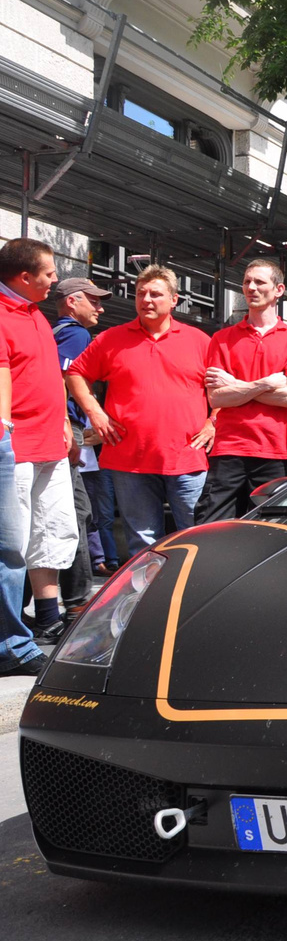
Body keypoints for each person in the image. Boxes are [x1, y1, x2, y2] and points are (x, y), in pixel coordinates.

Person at [68, 265, 213, 548]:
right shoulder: (111, 339)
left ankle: (191, 592)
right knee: (142, 542)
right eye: (140, 293)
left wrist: (214, 422)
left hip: (187, 457)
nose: (146, 300)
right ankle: (146, 594)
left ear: (174, 299)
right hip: (129, 458)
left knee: (196, 538)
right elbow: (75, 373)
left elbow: (224, 388)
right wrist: (95, 413)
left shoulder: (199, 341)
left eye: (155, 294)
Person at [0, 239, 77, 643]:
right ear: (25, 277)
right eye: (49, 273)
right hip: (17, 449)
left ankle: (48, 617)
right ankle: (9, 632)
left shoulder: (36, 314)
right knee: (12, 543)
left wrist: (64, 419)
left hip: (50, 442)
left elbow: (51, 376)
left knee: (52, 530)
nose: (55, 279)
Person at [193, 259, 287, 523]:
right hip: (229, 446)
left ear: (278, 290)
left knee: (274, 527)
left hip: (277, 448)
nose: (251, 287)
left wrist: (236, 386)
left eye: (259, 282)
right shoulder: (222, 339)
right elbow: (216, 397)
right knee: (211, 523)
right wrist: (266, 383)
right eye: (247, 282)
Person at [51, 277, 113, 607]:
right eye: (94, 301)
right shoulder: (76, 334)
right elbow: (60, 380)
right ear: (73, 302)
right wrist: (67, 425)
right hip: (62, 428)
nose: (101, 308)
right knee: (76, 512)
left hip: (57, 427)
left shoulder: (54, 332)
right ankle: (76, 601)